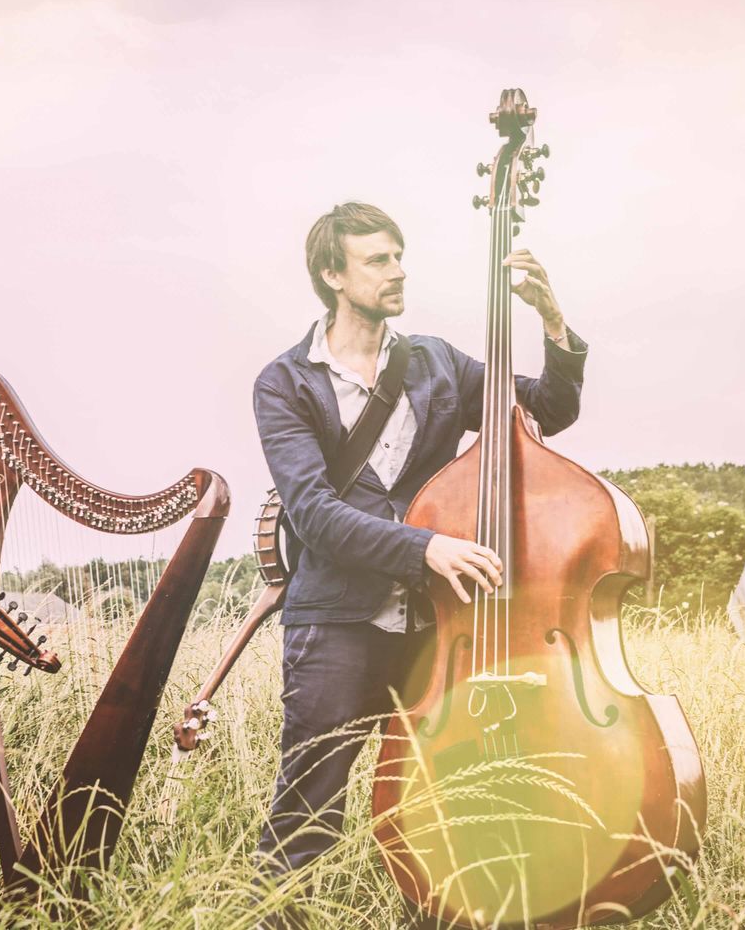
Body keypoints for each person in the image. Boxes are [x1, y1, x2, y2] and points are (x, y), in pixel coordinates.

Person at [252, 203, 588, 876]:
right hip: (335, 628)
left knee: (448, 808)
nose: (398, 271)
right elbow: (313, 513)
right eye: (378, 260)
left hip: (441, 627)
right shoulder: (284, 383)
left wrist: (552, 321)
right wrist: (425, 547)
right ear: (332, 275)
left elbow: (547, 410)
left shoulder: (436, 362)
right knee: (306, 819)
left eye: (399, 255)